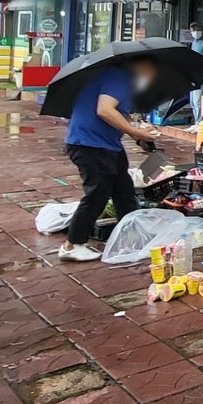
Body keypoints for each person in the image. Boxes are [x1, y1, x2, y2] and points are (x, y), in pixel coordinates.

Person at [58, 55, 160, 262]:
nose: (152, 76)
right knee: (98, 193)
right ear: (139, 65)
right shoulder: (118, 77)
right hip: (89, 144)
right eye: (151, 70)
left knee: (123, 191)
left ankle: (131, 235)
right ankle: (72, 244)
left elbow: (118, 113)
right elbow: (104, 110)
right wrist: (135, 131)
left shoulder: (120, 81)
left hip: (106, 145)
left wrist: (136, 132)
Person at [186, 22, 203, 131]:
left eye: (197, 30)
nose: (195, 32)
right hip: (193, 76)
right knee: (193, 101)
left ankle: (201, 122)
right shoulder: (194, 42)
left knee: (199, 101)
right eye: (193, 30)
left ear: (202, 31)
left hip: (202, 77)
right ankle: (196, 122)